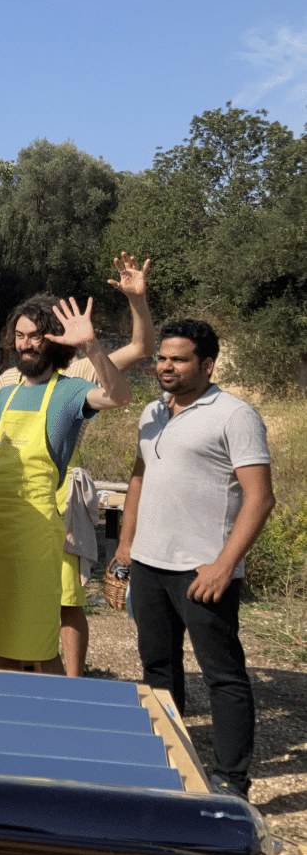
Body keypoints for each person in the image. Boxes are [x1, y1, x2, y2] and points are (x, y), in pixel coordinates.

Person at [0, 252, 155, 677]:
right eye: (19, 335)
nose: (25, 343)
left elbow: (121, 394)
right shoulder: (5, 391)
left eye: (34, 336)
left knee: (41, 631)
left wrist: (94, 342)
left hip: (40, 525)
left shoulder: (73, 387)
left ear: (54, 339)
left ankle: (62, 705)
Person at [116, 320, 274, 799]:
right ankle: (166, 762)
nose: (166, 365)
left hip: (203, 570)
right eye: (162, 357)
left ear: (207, 365)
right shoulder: (152, 412)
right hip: (148, 565)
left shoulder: (234, 415)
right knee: (158, 670)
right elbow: (140, 480)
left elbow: (260, 498)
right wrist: (125, 548)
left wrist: (224, 565)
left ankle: (232, 780)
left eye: (178, 359)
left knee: (222, 675)